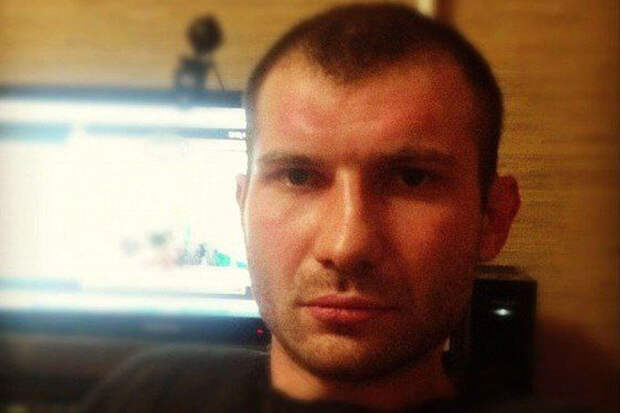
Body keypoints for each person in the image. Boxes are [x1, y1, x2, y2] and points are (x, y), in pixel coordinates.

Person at [78, 3, 525, 412]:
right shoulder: (150, 393)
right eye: (297, 176)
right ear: (242, 207)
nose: (346, 247)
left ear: (493, 217)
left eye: (411, 177)